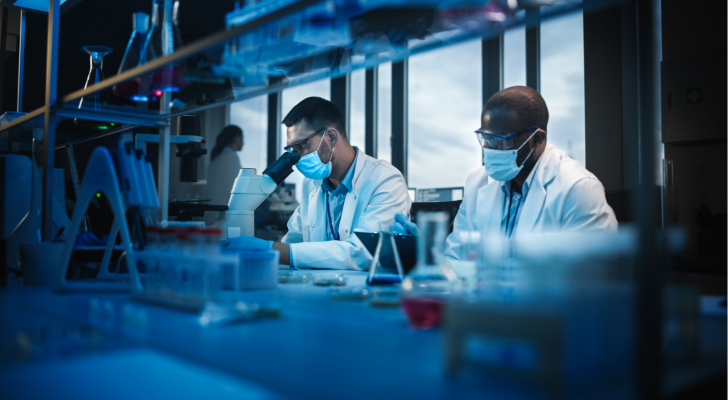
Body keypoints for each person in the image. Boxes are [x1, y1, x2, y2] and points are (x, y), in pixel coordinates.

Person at [394, 86, 617, 259]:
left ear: (537, 139)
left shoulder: (578, 188)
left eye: (501, 141)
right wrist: (426, 254)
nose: (489, 151)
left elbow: (588, 281)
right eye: (486, 139)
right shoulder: (477, 182)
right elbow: (457, 259)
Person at [223, 97, 411, 270]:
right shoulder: (311, 185)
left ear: (331, 137)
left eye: (302, 146)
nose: (297, 158)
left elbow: (364, 252)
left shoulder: (385, 180)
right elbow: (293, 246)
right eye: (292, 150)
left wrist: (267, 248)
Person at [205, 126, 244, 225]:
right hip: (224, 216)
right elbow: (236, 190)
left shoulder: (216, 158)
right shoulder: (232, 157)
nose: (244, 143)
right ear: (237, 138)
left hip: (211, 214)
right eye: (242, 138)